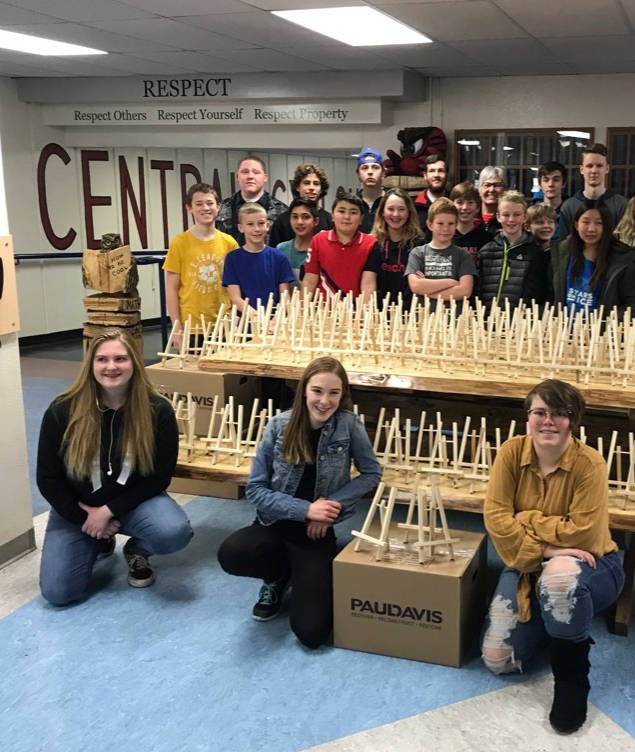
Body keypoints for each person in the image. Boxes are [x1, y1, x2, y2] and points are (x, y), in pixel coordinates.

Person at [481, 379, 625, 734]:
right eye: (540, 412)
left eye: (560, 414)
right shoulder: (511, 453)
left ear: (573, 420)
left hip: (592, 565)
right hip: (529, 563)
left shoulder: (589, 463)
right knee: (499, 659)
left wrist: (526, 518)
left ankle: (572, 679)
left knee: (560, 577)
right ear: (527, 416)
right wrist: (545, 549)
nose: (548, 421)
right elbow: (495, 519)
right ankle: (558, 621)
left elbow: (584, 534)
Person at [217, 357, 382, 647]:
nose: (324, 401)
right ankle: (277, 576)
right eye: (317, 391)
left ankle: (297, 573)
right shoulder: (279, 425)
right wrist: (306, 509)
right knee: (231, 553)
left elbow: (371, 474)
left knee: (312, 633)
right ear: (304, 390)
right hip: (274, 523)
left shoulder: (349, 425)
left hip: (314, 533)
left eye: (334, 393)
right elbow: (255, 489)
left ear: (343, 394)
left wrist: (328, 508)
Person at [37, 330, 192, 606]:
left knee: (173, 531)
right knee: (59, 594)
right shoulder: (62, 410)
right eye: (102, 359)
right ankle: (98, 540)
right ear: (91, 365)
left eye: (120, 358)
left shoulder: (158, 411)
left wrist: (106, 513)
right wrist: (82, 516)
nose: (111, 367)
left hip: (132, 504)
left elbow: (159, 478)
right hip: (78, 509)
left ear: (134, 363)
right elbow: (47, 478)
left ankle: (136, 548)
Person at [164, 182, 238, 340]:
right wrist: (176, 326)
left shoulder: (229, 242)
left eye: (210, 203)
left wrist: (233, 314)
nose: (205, 208)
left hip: (223, 324)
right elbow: (171, 288)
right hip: (192, 327)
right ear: (189, 208)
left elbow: (237, 285)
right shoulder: (179, 243)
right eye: (199, 204)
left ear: (218, 207)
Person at [549, 200, 635, 319]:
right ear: (576, 225)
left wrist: (608, 325)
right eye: (586, 222)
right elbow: (550, 294)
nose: (591, 229)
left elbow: (633, 303)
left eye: (599, 223)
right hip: (563, 332)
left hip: (601, 333)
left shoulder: (624, 258)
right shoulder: (561, 252)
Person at [476, 190, 549, 311]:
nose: (511, 220)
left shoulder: (536, 253)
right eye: (506, 215)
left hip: (521, 323)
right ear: (498, 217)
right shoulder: (486, 251)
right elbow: (478, 290)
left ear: (525, 217)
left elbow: (540, 292)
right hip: (487, 321)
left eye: (516, 215)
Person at [222, 202, 295, 314]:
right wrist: (258, 318)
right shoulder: (232, 259)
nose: (256, 229)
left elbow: (285, 297)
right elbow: (235, 298)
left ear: (267, 226)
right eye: (250, 224)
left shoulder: (279, 257)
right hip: (245, 325)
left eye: (261, 223)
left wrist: (275, 321)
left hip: (274, 325)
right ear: (241, 228)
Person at [302, 192, 379, 299]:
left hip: (355, 311)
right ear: (332, 215)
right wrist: (301, 311)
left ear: (361, 219)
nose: (347, 217)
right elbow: (310, 280)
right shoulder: (318, 240)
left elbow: (368, 285)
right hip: (323, 312)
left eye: (353, 212)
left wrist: (363, 314)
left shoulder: (371, 243)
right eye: (341, 211)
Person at [361, 188, 425, 308]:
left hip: (411, 314)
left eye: (401, 209)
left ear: (409, 213)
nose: (396, 214)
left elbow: (422, 282)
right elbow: (368, 283)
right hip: (380, 312)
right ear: (382, 212)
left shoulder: (419, 244)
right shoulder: (373, 243)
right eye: (391, 209)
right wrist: (367, 313)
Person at [406, 197, 476, 302]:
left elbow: (464, 291)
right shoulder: (417, 253)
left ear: (456, 224)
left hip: (455, 317)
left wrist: (426, 287)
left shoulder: (463, 255)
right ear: (430, 225)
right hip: (423, 316)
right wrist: (450, 282)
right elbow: (416, 286)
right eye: (440, 223)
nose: (445, 229)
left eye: (451, 224)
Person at [557, 144, 628, 240]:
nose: (594, 170)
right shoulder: (569, 206)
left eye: (599, 166)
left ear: (607, 168)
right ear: (581, 169)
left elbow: (625, 242)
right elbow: (564, 246)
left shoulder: (620, 204)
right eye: (589, 166)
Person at [216, 155, 289, 246]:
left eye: (256, 172)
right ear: (237, 177)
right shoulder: (222, 209)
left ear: (265, 177)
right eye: (245, 172)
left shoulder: (281, 211)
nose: (250, 176)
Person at [268, 163, 331, 246]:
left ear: (321, 189)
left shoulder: (329, 220)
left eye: (316, 183)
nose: (311, 188)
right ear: (297, 187)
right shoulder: (282, 221)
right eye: (307, 183)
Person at [276, 198, 320, 281]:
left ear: (316, 221)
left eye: (305, 217)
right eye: (295, 217)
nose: (299, 222)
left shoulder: (321, 250)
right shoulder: (281, 249)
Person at [450, 181, 494, 263]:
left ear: (477, 207)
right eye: (460, 202)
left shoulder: (486, 238)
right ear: (452, 206)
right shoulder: (444, 236)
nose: (465, 207)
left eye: (470, 202)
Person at [414, 154, 449, 230]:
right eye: (432, 171)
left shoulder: (455, 203)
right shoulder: (413, 207)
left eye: (440, 170)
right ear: (425, 176)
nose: (436, 175)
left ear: (447, 175)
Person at [355, 148, 385, 233]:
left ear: (383, 173)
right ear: (358, 174)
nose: (370, 172)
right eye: (364, 168)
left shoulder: (390, 202)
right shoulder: (352, 204)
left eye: (375, 167)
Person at [535, 160, 569, 236]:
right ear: (540, 184)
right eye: (546, 180)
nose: (550, 184)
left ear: (563, 184)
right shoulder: (531, 212)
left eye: (556, 180)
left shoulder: (571, 212)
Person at [478, 166, 506, 235]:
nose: (491, 189)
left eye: (497, 185)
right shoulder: (471, 217)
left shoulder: (507, 220)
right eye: (487, 185)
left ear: (504, 189)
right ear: (480, 189)